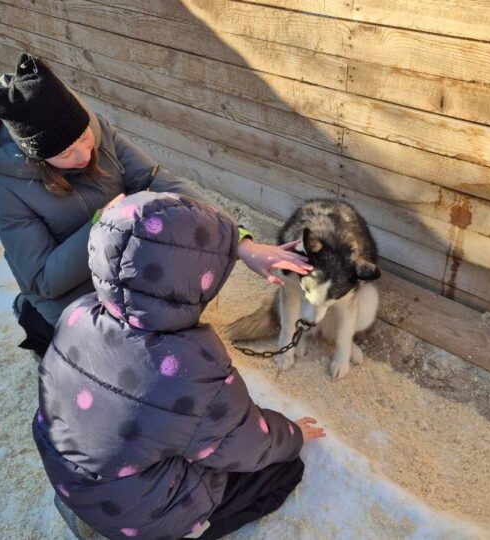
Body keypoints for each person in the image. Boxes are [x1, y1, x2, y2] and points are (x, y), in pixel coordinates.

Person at [0, 53, 312, 358]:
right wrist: (101, 224)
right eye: (65, 153)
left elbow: (158, 182)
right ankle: (36, 322)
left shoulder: (96, 128)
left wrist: (241, 242)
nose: (84, 154)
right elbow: (44, 280)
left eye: (83, 137)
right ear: (37, 157)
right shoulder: (6, 187)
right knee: (118, 369)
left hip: (124, 260)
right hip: (70, 291)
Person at [33, 190, 326, 539]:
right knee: (285, 470)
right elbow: (245, 444)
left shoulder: (78, 313)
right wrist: (292, 434)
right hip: (139, 515)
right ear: (193, 280)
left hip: (72, 481)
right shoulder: (188, 366)